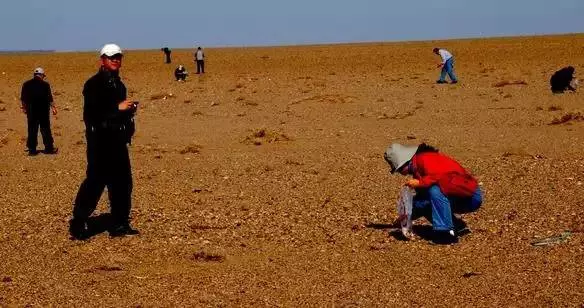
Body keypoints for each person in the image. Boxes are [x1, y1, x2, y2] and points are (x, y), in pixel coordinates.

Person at [70, 43, 139, 240]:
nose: (116, 60)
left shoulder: (119, 85)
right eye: (111, 57)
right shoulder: (93, 84)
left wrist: (128, 114)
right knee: (95, 182)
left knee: (122, 184)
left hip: (117, 142)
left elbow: (117, 114)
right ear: (102, 60)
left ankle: (120, 224)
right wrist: (117, 108)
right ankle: (79, 222)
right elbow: (92, 115)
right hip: (100, 143)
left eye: (118, 57)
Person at [384, 143, 483, 244]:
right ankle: (457, 226)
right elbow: (422, 201)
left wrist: (420, 183)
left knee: (434, 190)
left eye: (399, 169)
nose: (400, 173)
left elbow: (441, 177)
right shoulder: (417, 166)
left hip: (470, 196)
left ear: (406, 162)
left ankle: (445, 233)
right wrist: (405, 218)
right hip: (460, 194)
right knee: (423, 199)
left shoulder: (425, 159)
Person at [20, 67, 58, 155]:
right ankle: (49, 149)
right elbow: (49, 98)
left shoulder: (26, 84)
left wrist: (24, 108)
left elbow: (23, 99)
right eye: (43, 76)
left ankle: (32, 150)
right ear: (41, 75)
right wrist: (53, 108)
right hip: (43, 111)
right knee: (45, 129)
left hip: (31, 111)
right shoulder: (45, 85)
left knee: (32, 129)